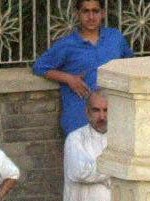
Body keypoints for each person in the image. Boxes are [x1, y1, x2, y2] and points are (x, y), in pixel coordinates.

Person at [32, 0, 131, 136]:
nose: (91, 17)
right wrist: (68, 78)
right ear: (78, 14)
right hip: (78, 121)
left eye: (95, 11)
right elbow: (39, 67)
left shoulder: (115, 38)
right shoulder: (67, 44)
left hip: (113, 118)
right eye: (86, 11)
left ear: (103, 13)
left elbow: (130, 64)